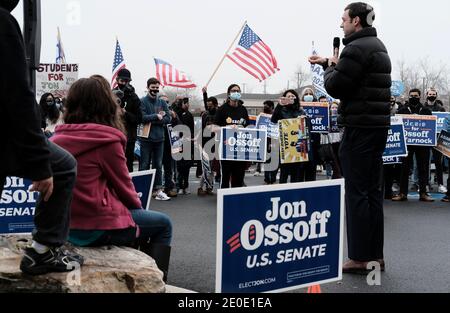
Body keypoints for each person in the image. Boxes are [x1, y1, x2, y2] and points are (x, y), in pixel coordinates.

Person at [51, 76, 173, 281]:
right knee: (163, 224)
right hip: (94, 228)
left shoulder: (55, 139)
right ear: (106, 104)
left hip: (62, 226)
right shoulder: (107, 140)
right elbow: (125, 188)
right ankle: (153, 280)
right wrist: (137, 211)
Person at [0, 0, 83, 275]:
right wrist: (39, 164)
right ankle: (43, 251)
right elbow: (18, 97)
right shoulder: (3, 22)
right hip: (7, 137)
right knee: (64, 166)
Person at [309, 2, 391, 272]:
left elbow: (336, 86)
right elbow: (355, 78)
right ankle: (374, 255)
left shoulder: (354, 48)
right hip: (376, 128)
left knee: (356, 193)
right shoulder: (376, 45)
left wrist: (330, 67)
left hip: (359, 128)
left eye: (343, 19)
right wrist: (328, 62)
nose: (340, 23)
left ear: (356, 21)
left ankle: (358, 256)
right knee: (372, 193)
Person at [393, 89, 434, 202]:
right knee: (404, 168)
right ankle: (402, 193)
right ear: (409, 96)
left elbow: (430, 126)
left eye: (416, 96)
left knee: (423, 168)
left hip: (422, 144)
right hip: (407, 144)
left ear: (419, 97)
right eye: (411, 96)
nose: (413, 97)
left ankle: (423, 193)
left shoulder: (426, 111)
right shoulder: (402, 110)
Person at [139, 78, 171, 201]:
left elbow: (167, 118)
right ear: (148, 87)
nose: (155, 90)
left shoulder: (162, 103)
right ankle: (141, 188)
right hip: (146, 139)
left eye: (157, 87)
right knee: (144, 164)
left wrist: (154, 120)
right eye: (153, 87)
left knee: (158, 164)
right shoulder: (142, 101)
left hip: (159, 139)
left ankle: (158, 190)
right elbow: (141, 117)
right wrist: (156, 116)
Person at [271, 90, 312, 184]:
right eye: (288, 96)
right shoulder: (281, 110)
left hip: (298, 146)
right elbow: (273, 120)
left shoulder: (301, 111)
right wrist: (279, 105)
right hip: (285, 146)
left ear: (296, 98)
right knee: (284, 174)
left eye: (293, 96)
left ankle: (295, 194)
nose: (291, 98)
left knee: (296, 174)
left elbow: (307, 127)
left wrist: (304, 120)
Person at [214, 84, 250, 188]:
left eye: (238, 91)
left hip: (240, 148)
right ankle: (224, 201)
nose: (236, 92)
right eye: (234, 90)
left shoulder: (243, 109)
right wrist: (227, 128)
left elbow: (248, 127)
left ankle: (236, 200)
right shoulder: (222, 109)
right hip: (226, 149)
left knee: (239, 178)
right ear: (229, 94)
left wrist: (244, 129)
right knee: (225, 177)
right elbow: (213, 127)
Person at [113, 68, 143, 172]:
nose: (124, 84)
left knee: (128, 165)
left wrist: (126, 113)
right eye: (122, 81)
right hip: (114, 136)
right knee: (114, 165)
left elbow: (139, 118)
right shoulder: (111, 95)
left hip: (129, 136)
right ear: (117, 80)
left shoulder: (134, 97)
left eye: (126, 81)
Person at [423, 88, 447, 194]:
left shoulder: (441, 109)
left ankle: (440, 184)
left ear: (436, 95)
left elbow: (444, 123)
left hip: (437, 139)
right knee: (425, 163)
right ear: (426, 94)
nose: (431, 95)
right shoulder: (423, 108)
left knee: (438, 163)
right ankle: (425, 184)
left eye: (433, 94)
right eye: (430, 94)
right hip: (426, 138)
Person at [198, 87, 219, 196]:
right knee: (206, 167)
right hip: (205, 143)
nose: (209, 107)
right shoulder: (205, 114)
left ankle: (209, 187)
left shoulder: (219, 114)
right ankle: (202, 187)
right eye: (208, 105)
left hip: (215, 143)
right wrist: (205, 93)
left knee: (211, 168)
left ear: (215, 105)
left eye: (211, 105)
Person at [173, 97, 194, 195]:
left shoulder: (190, 115)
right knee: (179, 166)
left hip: (188, 142)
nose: (187, 105)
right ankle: (179, 186)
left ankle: (186, 186)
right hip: (177, 142)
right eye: (185, 103)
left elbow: (192, 129)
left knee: (187, 166)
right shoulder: (177, 113)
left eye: (188, 103)